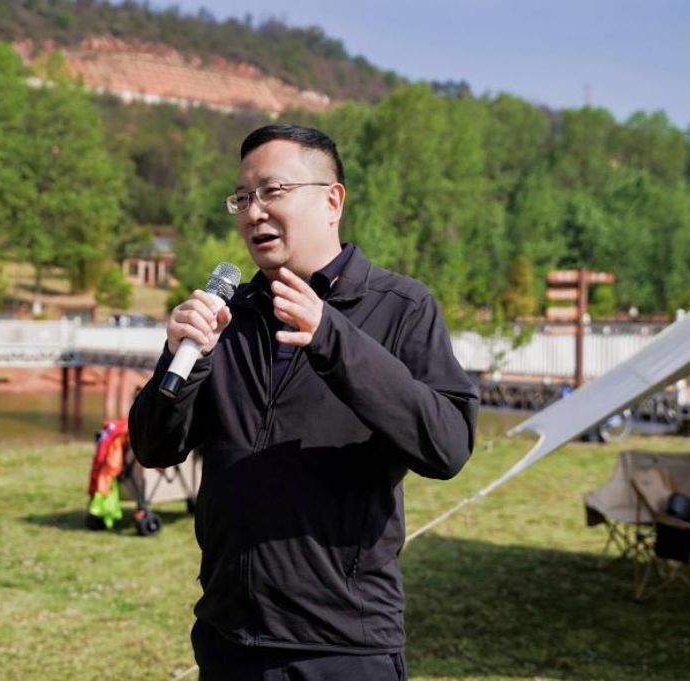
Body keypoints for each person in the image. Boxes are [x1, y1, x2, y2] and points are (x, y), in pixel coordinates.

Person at [129, 124, 478, 680]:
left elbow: (448, 446)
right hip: (228, 637)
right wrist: (181, 357)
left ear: (332, 201)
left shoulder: (401, 308)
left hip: (342, 645)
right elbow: (154, 448)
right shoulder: (229, 317)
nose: (254, 212)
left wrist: (331, 337)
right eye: (242, 198)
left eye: (273, 191)